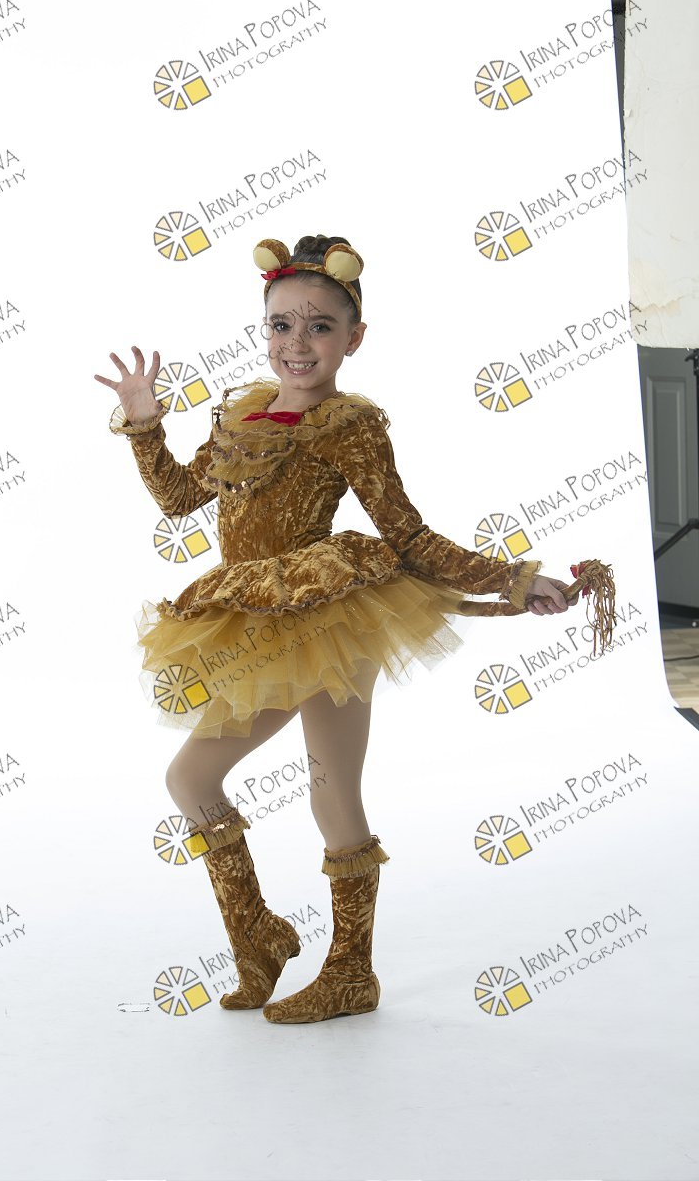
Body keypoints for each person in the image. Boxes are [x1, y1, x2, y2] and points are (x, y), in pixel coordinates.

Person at [95, 233, 614, 1025]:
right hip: (254, 621)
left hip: (328, 619)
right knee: (237, 786)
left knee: (294, 790)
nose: (297, 344)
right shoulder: (242, 414)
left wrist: (512, 578)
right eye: (281, 325)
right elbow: (179, 500)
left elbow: (409, 536)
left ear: (354, 337)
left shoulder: (350, 426)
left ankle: (343, 971)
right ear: (263, 330)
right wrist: (143, 425)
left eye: (320, 326)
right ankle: (262, 939)